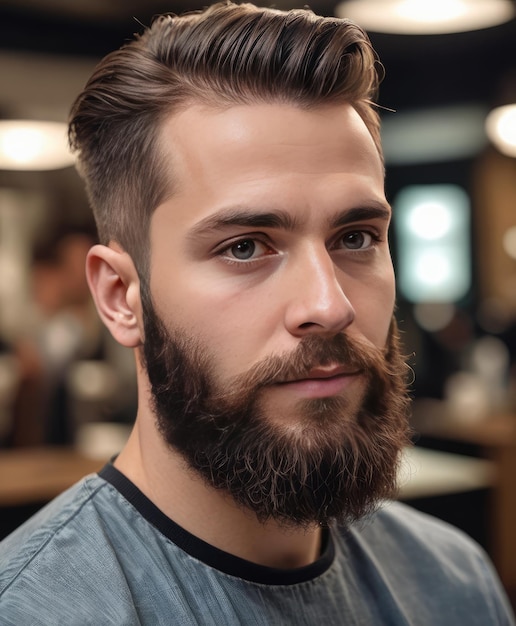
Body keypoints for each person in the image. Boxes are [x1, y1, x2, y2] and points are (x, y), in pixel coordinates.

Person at [0, 2, 514, 624]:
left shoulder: (452, 581)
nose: (330, 306)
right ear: (119, 296)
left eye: (355, 238)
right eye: (244, 247)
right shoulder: (37, 610)